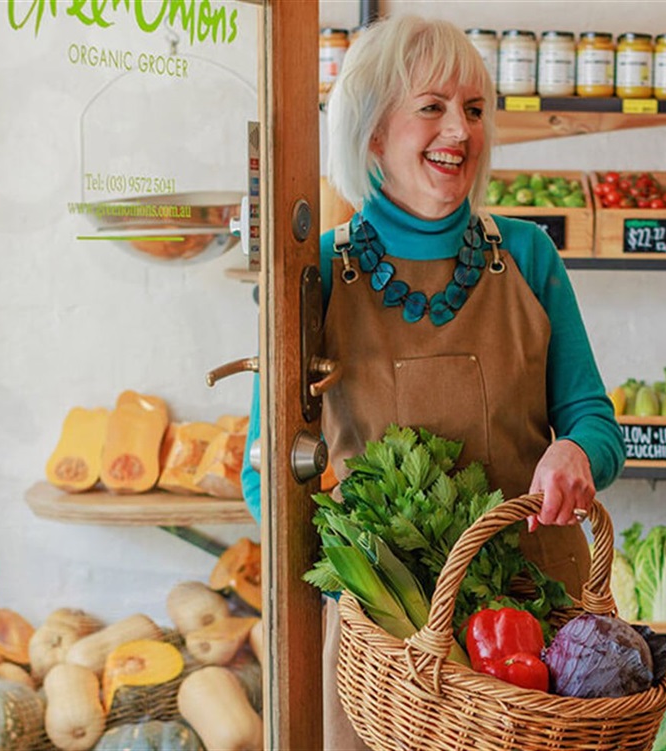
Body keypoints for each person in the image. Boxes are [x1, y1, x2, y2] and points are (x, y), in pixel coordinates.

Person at [247, 14, 626, 749]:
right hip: (383, 654)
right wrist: (360, 586)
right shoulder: (316, 273)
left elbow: (595, 421)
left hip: (530, 632)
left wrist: (578, 454)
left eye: (474, 109)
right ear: (373, 133)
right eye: (432, 107)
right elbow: (262, 477)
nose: (460, 129)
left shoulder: (527, 255)